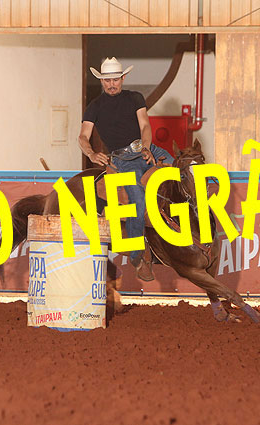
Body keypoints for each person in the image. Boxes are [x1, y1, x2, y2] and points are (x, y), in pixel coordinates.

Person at [78, 57, 173, 281]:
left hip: (145, 148)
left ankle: (185, 232)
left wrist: (147, 147)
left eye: (115, 80)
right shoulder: (95, 107)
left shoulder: (135, 98)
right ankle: (137, 256)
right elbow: (82, 136)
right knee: (138, 199)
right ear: (101, 81)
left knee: (180, 173)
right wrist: (91, 153)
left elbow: (145, 125)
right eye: (107, 80)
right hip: (122, 159)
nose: (112, 84)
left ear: (123, 78)